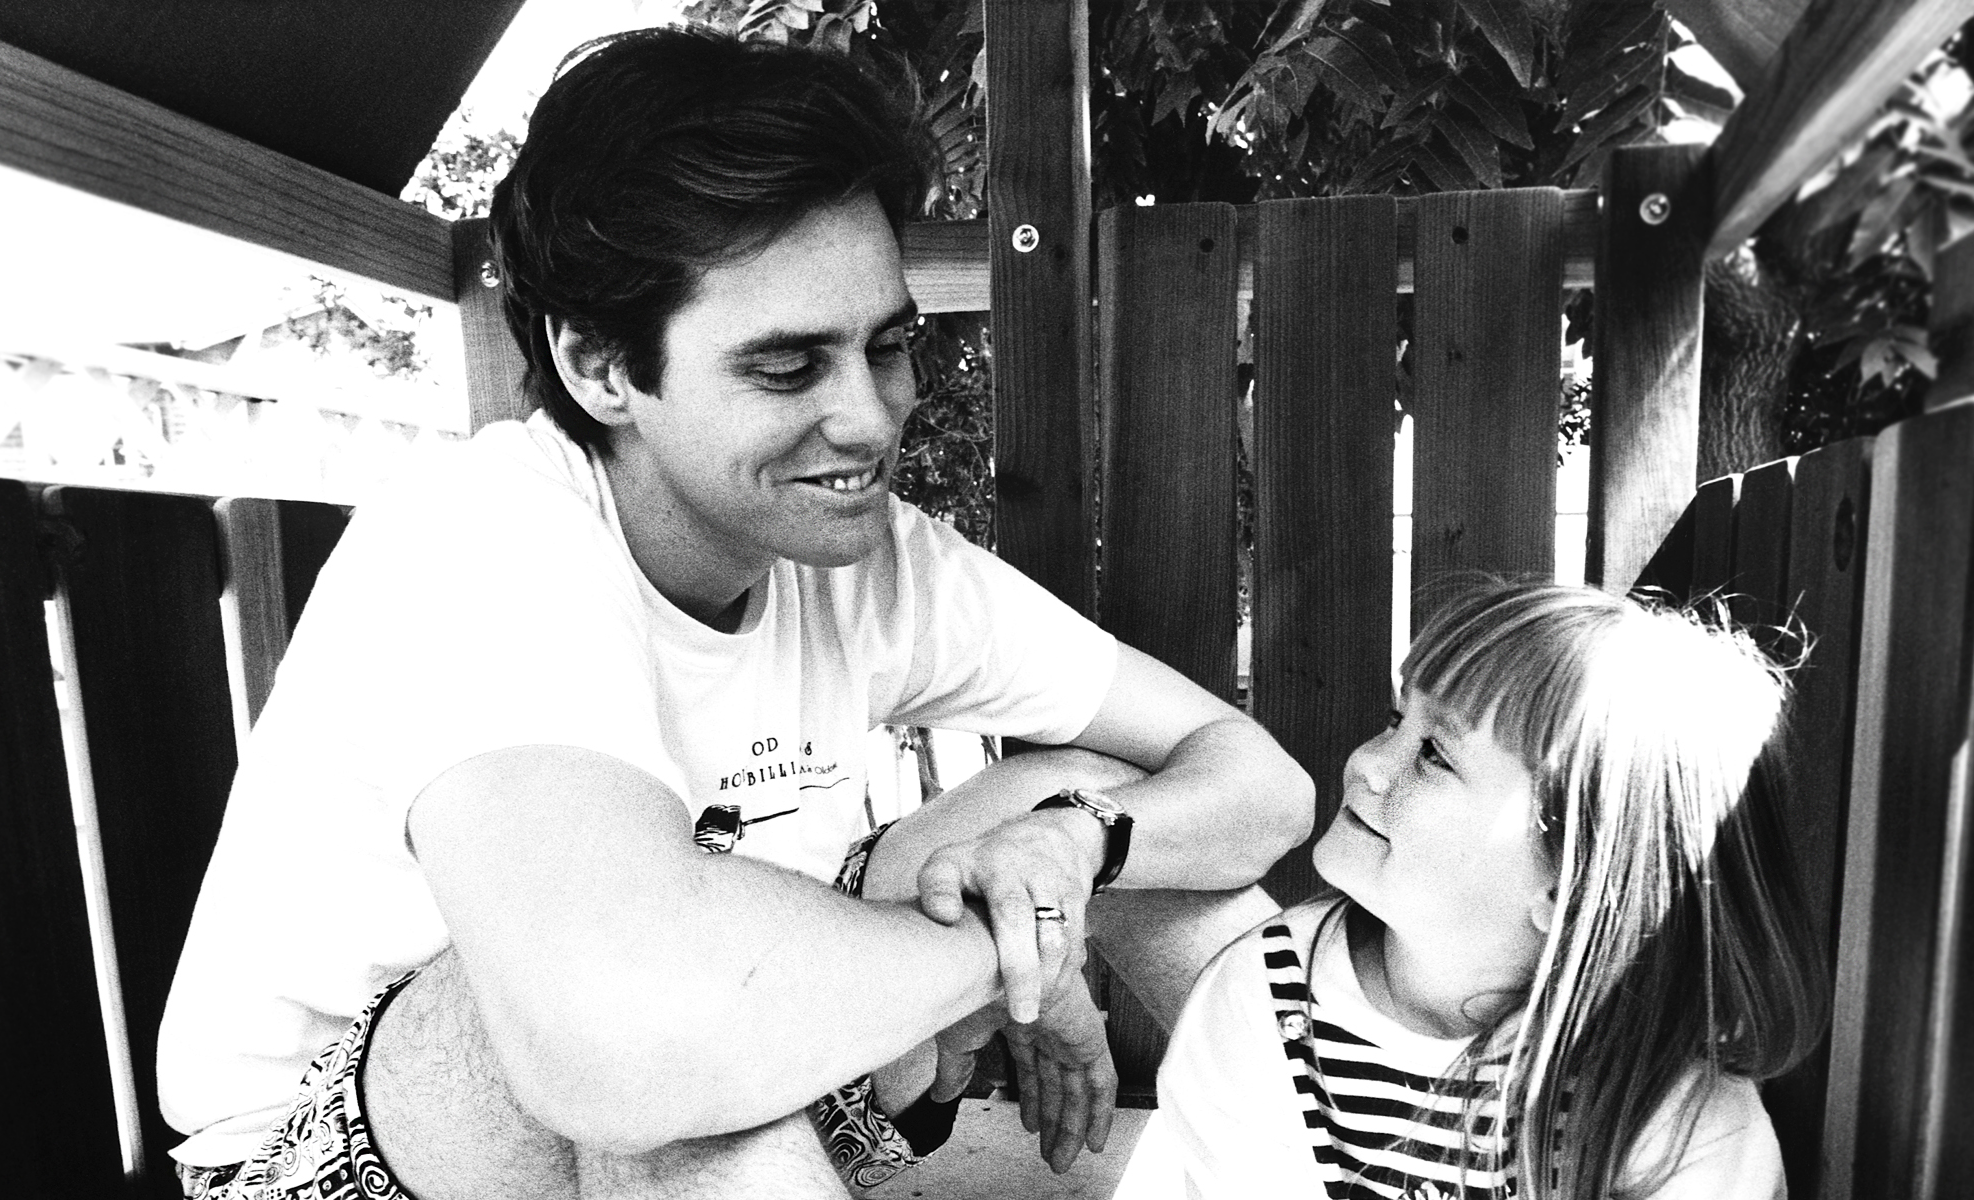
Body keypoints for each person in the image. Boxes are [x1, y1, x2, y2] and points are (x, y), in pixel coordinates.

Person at [155, 25, 1312, 1200]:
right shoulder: (483, 535)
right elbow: (620, 1051)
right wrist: (1014, 952)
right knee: (680, 1061)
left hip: (708, 1086)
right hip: (342, 1158)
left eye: (889, 346)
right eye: (786, 367)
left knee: (1063, 791)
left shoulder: (868, 557)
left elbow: (1257, 784)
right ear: (602, 364)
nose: (871, 418)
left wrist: (1075, 850)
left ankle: (1340, 1161)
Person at [1114, 580, 1826, 1200]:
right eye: (1398, 721)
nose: (1365, 762)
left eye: (1434, 754)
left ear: (1572, 890)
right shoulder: (1266, 999)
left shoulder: (1677, 1119)